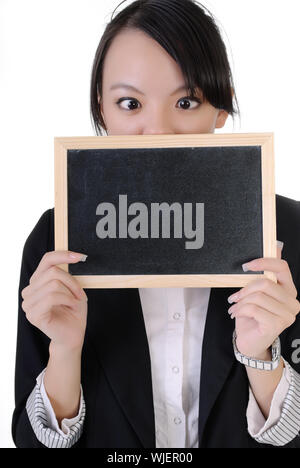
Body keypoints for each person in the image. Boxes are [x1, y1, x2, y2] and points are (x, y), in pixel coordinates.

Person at [12, 0, 300, 448]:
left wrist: (261, 355)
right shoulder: (59, 239)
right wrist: (65, 351)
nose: (159, 131)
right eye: (130, 103)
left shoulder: (292, 233)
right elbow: (31, 442)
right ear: (101, 112)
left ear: (221, 111)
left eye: (186, 102)